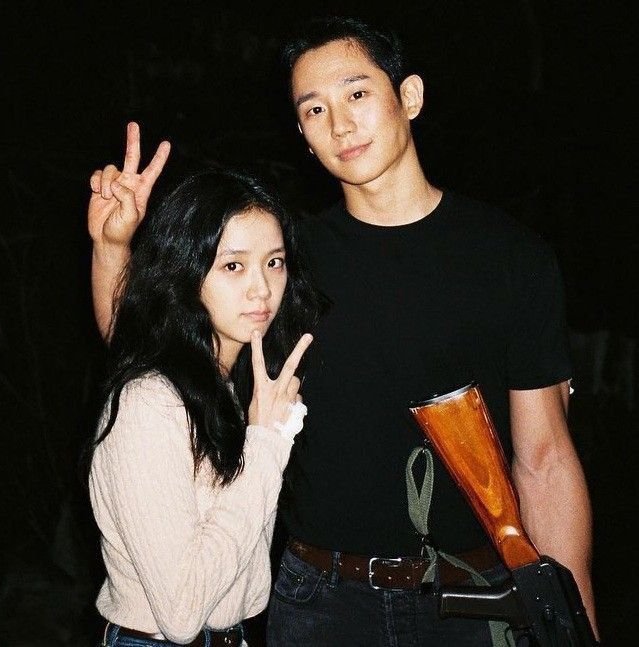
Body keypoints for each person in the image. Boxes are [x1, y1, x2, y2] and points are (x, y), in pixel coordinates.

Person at [90, 15, 599, 645]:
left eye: (357, 93)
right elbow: (161, 353)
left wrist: (572, 623)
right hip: (320, 599)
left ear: (409, 96)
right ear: (303, 134)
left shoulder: (509, 257)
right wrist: (111, 247)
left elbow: (545, 459)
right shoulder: (284, 261)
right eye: (314, 109)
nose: (339, 124)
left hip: (471, 597)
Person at [85, 149, 320, 647]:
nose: (261, 289)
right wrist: (266, 443)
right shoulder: (152, 403)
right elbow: (182, 612)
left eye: (274, 262)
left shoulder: (225, 384)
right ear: (187, 272)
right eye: (233, 265)